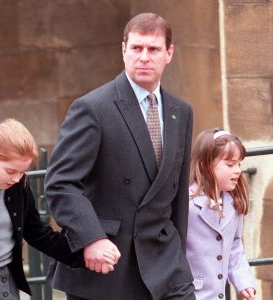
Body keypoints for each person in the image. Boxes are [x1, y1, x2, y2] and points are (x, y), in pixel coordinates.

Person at [45, 12, 195, 300]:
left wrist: (180, 256)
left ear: (169, 54)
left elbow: (176, 199)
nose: (144, 57)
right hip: (106, 267)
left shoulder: (181, 112)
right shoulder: (92, 108)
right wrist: (90, 238)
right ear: (123, 49)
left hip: (165, 264)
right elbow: (61, 184)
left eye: (153, 49)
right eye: (136, 48)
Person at [0, 114, 116, 300]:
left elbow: (37, 232)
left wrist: (85, 252)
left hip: (7, 282)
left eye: (23, 172)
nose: (17, 178)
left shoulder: (17, 186)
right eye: (11, 171)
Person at [186, 128, 256, 300]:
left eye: (239, 164)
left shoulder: (234, 203)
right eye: (230, 164)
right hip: (190, 294)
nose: (238, 170)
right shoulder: (187, 204)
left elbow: (234, 245)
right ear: (205, 164)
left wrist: (243, 281)